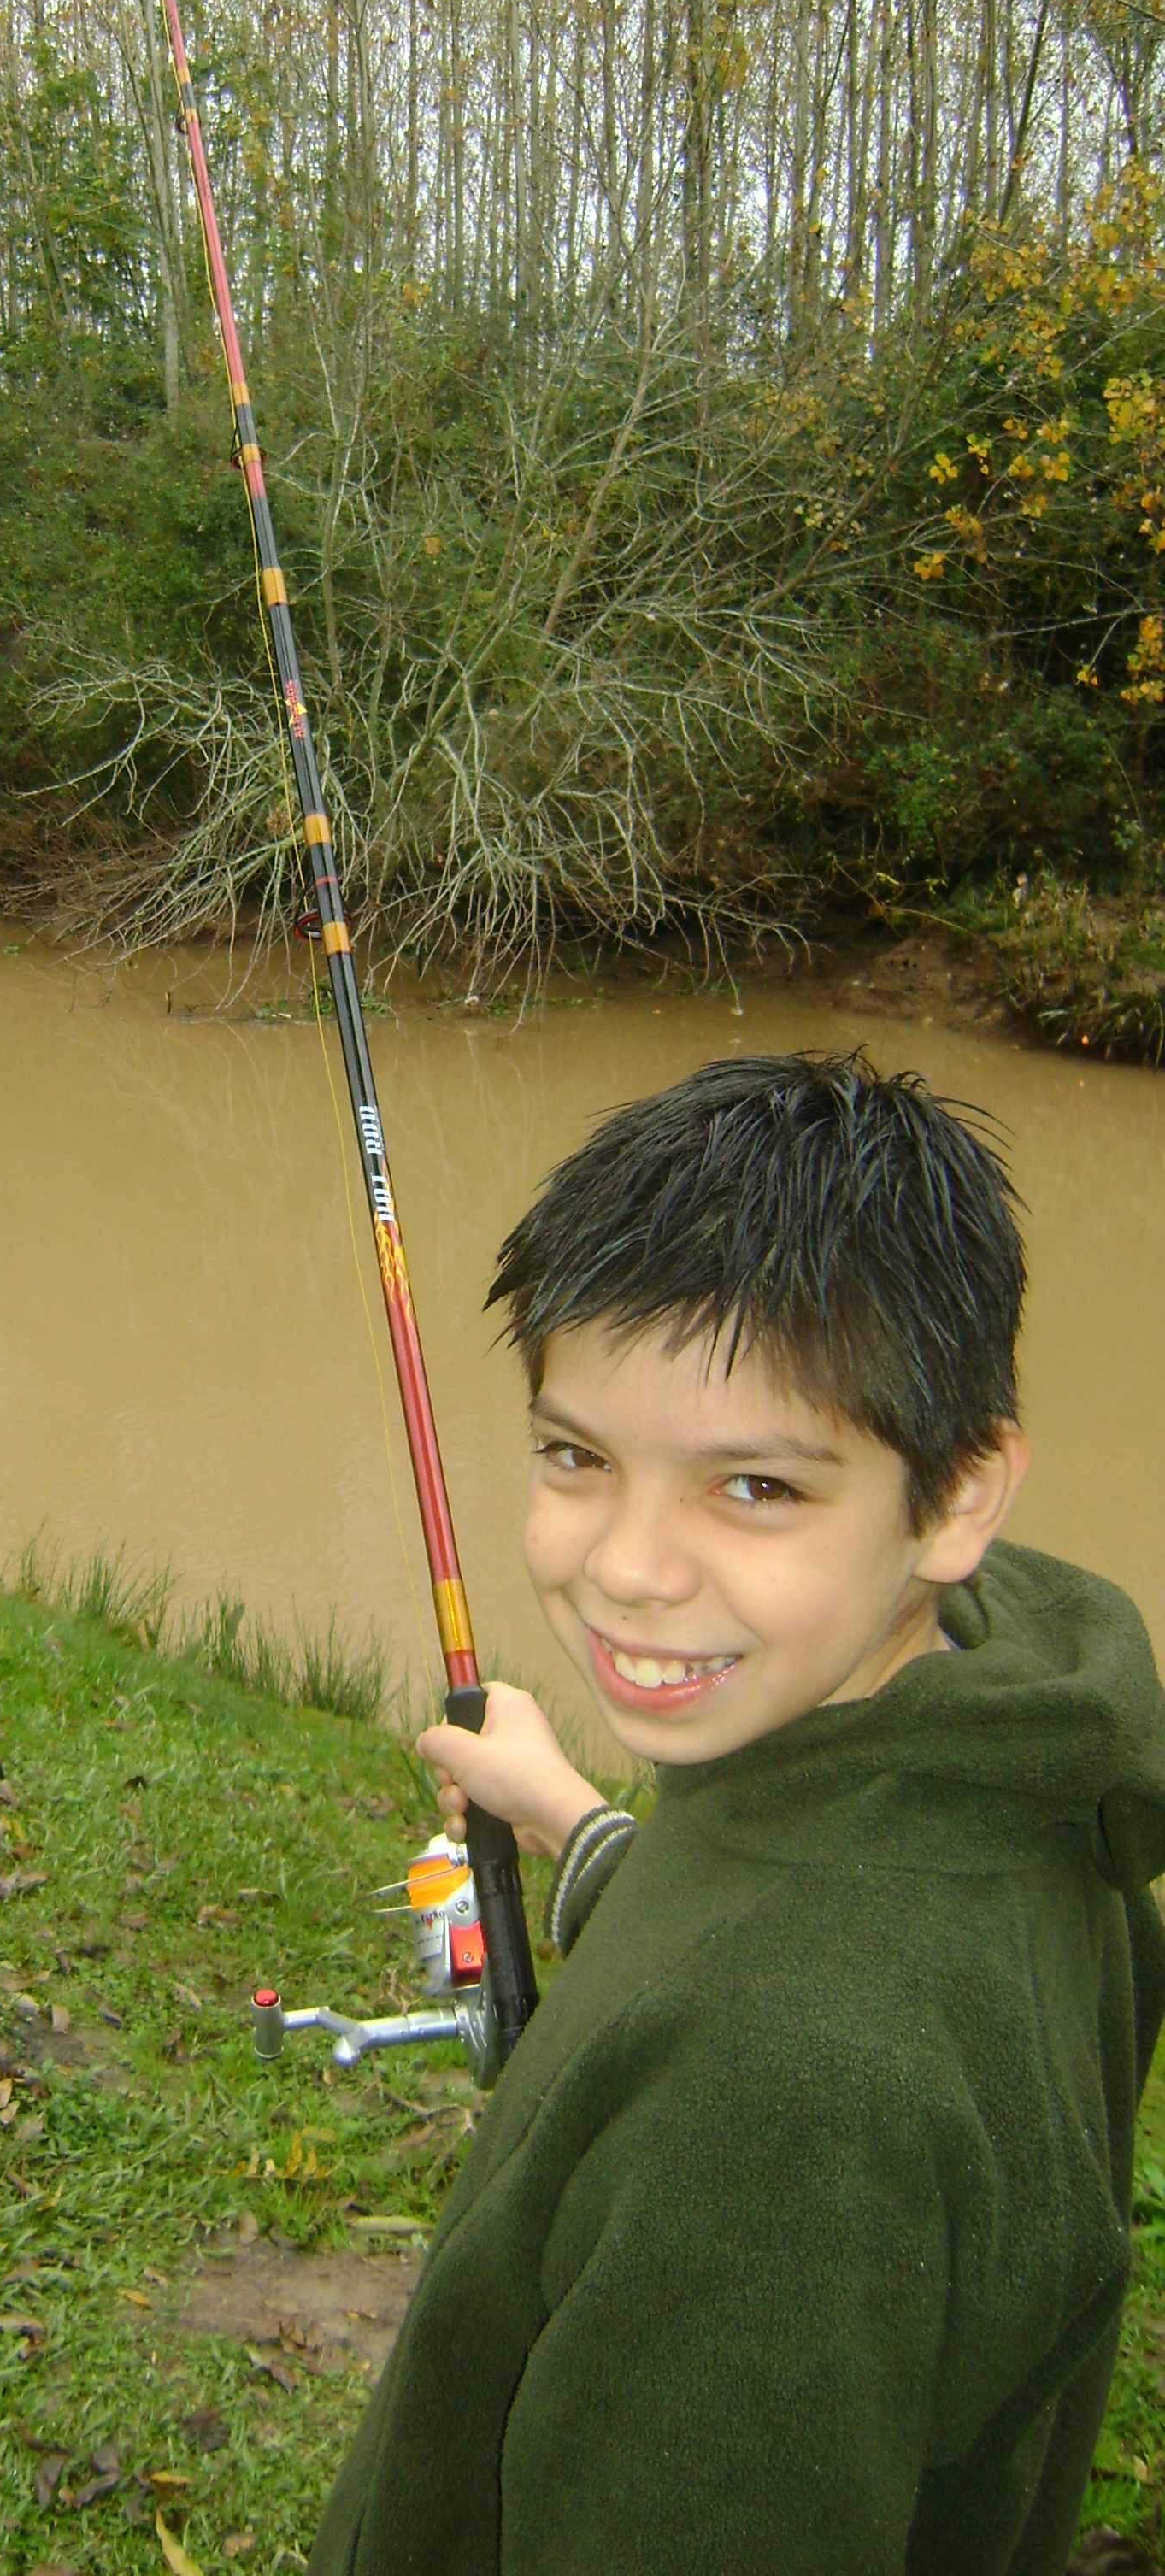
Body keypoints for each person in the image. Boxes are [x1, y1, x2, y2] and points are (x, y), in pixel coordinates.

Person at [309, 1050, 1165, 2576]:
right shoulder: (1003, 1741)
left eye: (756, 1487)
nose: (628, 1567)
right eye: (578, 1455)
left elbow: (782, 2016)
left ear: (960, 1494)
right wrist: (577, 1824)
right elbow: (791, 1908)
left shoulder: (778, 2112)